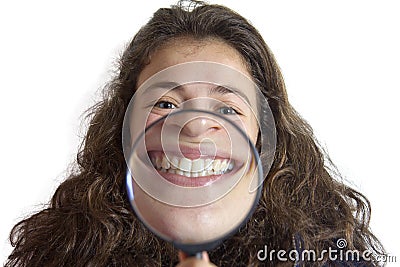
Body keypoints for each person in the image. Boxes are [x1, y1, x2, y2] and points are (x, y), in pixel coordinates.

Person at [5, 1, 385, 266]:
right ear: (123, 126)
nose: (195, 128)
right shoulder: (59, 250)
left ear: (263, 136)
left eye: (227, 108)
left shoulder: (329, 254)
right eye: (166, 104)